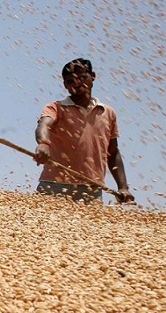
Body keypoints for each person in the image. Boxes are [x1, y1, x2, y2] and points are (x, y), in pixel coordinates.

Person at [33, 58, 135, 204]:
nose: (77, 83)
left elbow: (112, 153)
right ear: (65, 85)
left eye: (82, 77)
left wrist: (123, 187)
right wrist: (43, 143)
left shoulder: (107, 112)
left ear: (92, 76)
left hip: (92, 188)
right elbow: (44, 125)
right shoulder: (56, 107)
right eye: (71, 81)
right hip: (53, 185)